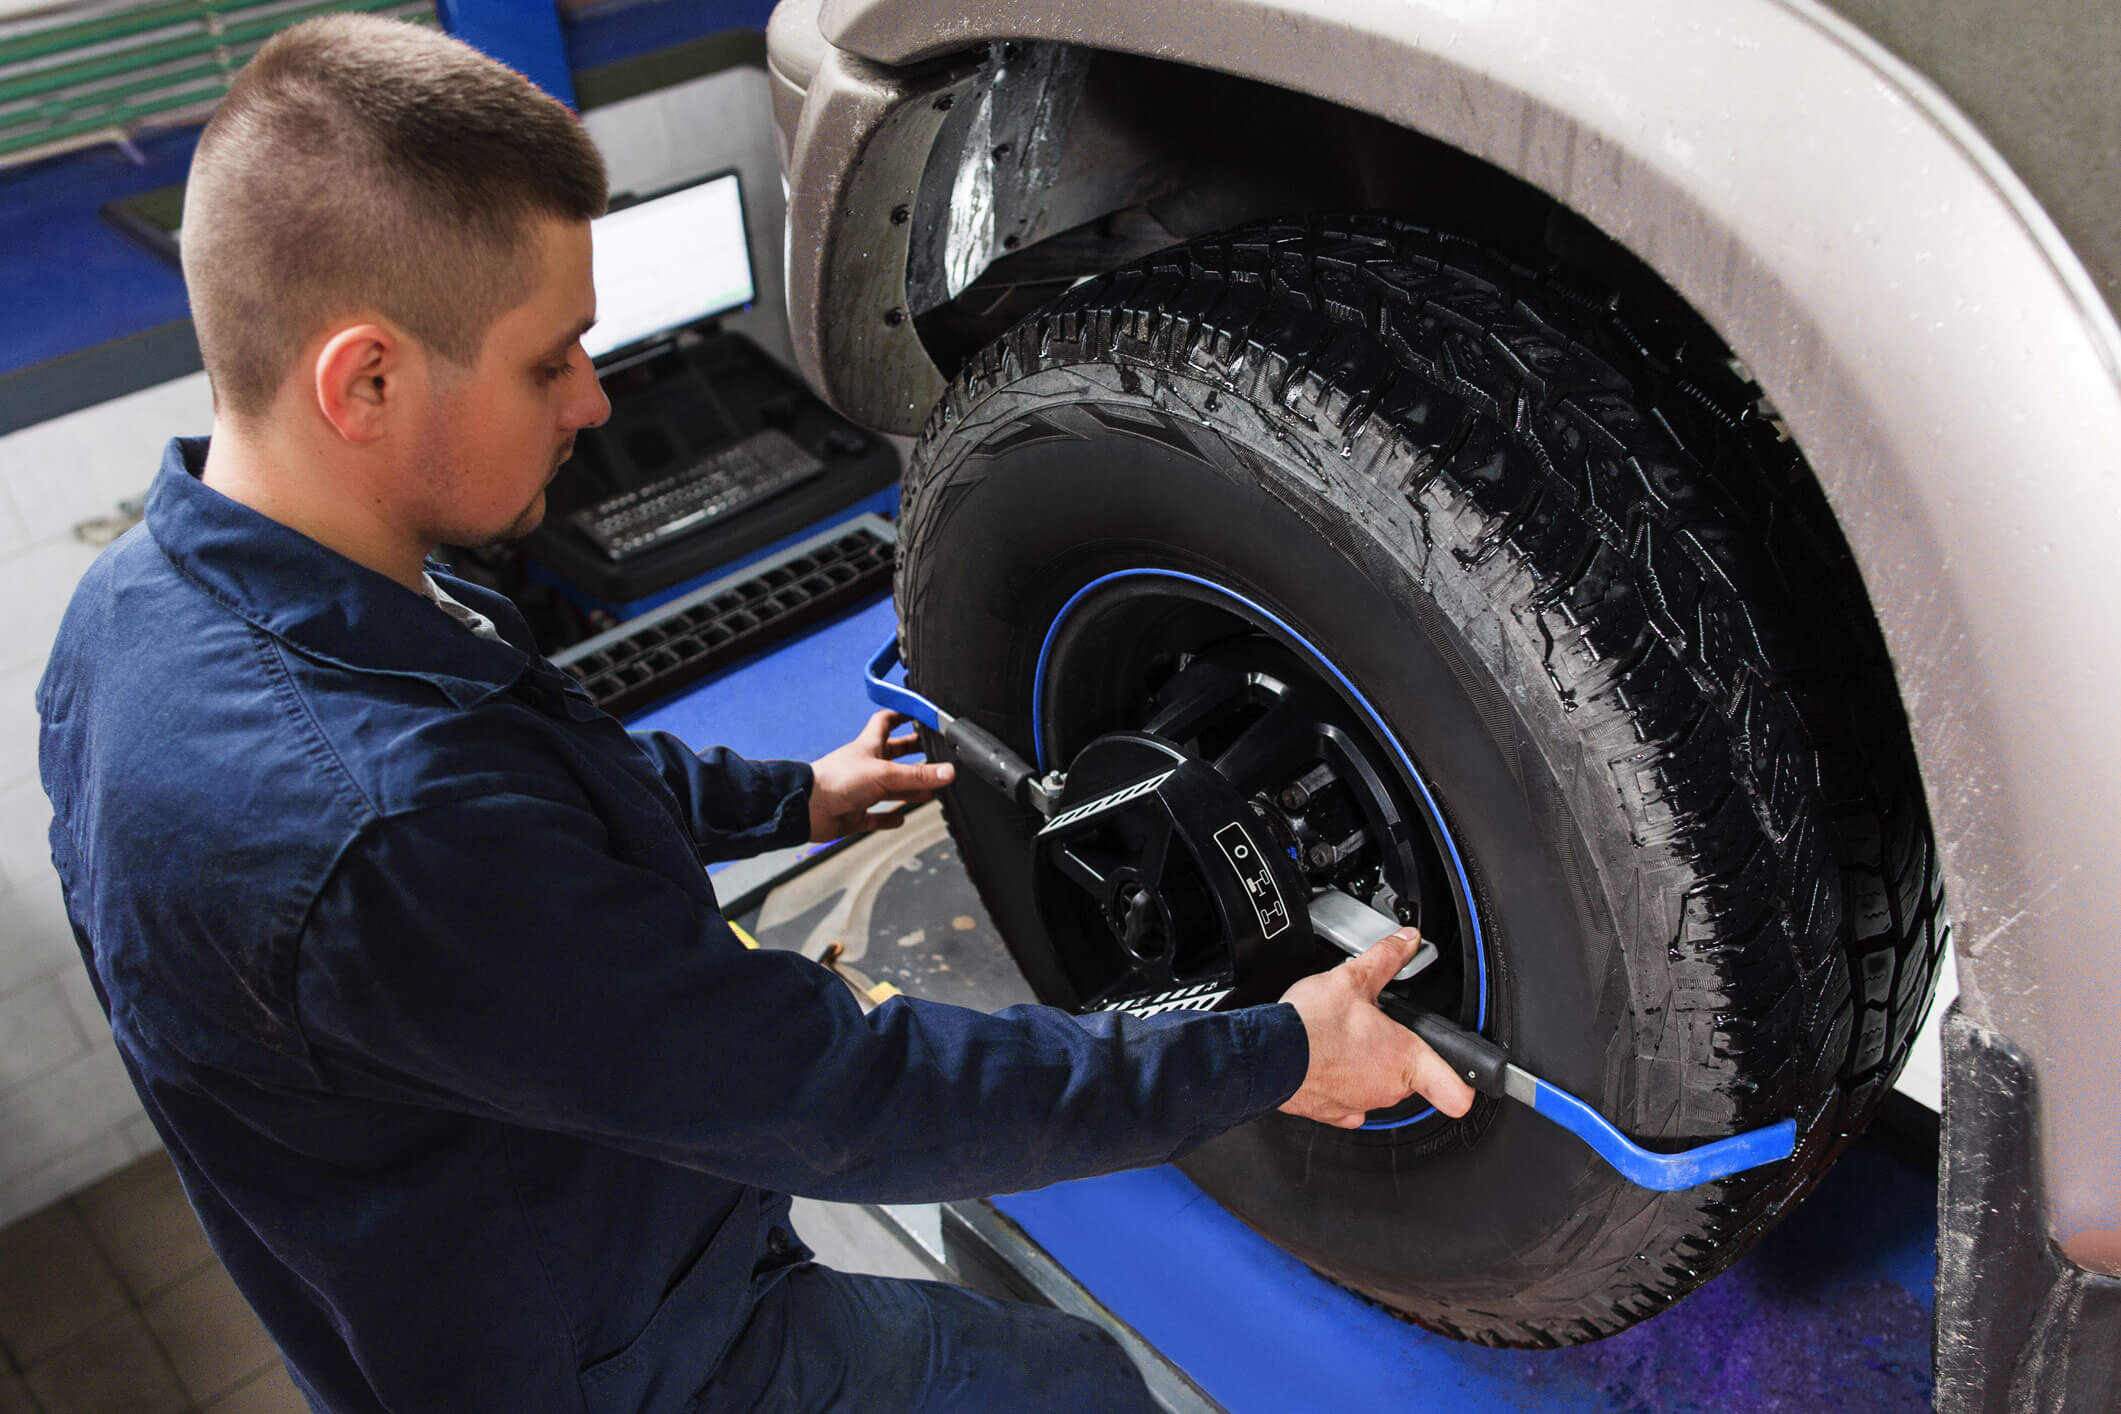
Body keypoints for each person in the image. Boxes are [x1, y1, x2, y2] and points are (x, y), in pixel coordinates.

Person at [36, 16, 1474, 1412]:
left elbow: (532, 767)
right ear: (365, 377)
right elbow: (843, 1091)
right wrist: (1272, 1053)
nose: (593, 403)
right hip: (619, 1357)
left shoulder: (139, 610)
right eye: (551, 360)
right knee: (1072, 1386)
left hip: (449, 1268)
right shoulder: (385, 834)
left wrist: (783, 796)